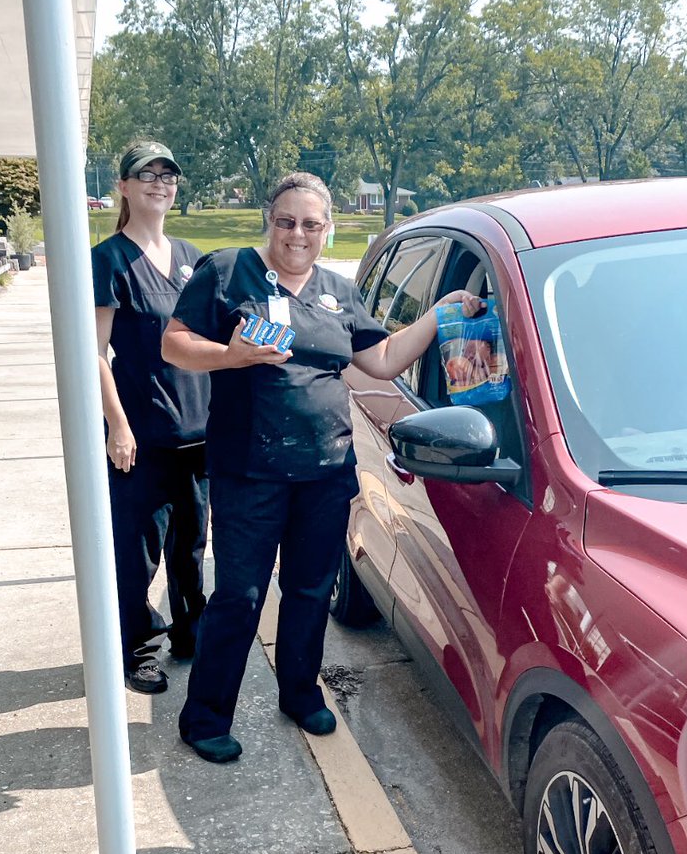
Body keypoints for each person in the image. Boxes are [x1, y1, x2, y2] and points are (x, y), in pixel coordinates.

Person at [162, 171, 482, 763]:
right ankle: (205, 717)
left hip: (327, 470)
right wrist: (230, 356)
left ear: (327, 228)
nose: (297, 234)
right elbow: (174, 343)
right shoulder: (229, 272)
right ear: (270, 219)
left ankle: (300, 692)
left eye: (311, 224)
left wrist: (437, 316)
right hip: (248, 472)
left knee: (309, 590)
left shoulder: (337, 290)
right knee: (240, 595)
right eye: (286, 221)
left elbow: (381, 359)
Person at [92, 141, 210, 694]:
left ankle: (192, 632)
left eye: (168, 175)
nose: (160, 184)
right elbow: (94, 352)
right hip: (140, 437)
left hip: (197, 433)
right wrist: (117, 424)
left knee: (191, 545)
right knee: (137, 550)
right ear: (123, 187)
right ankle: (138, 648)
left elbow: (212, 336)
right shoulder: (109, 259)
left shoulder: (191, 256)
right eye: (147, 175)